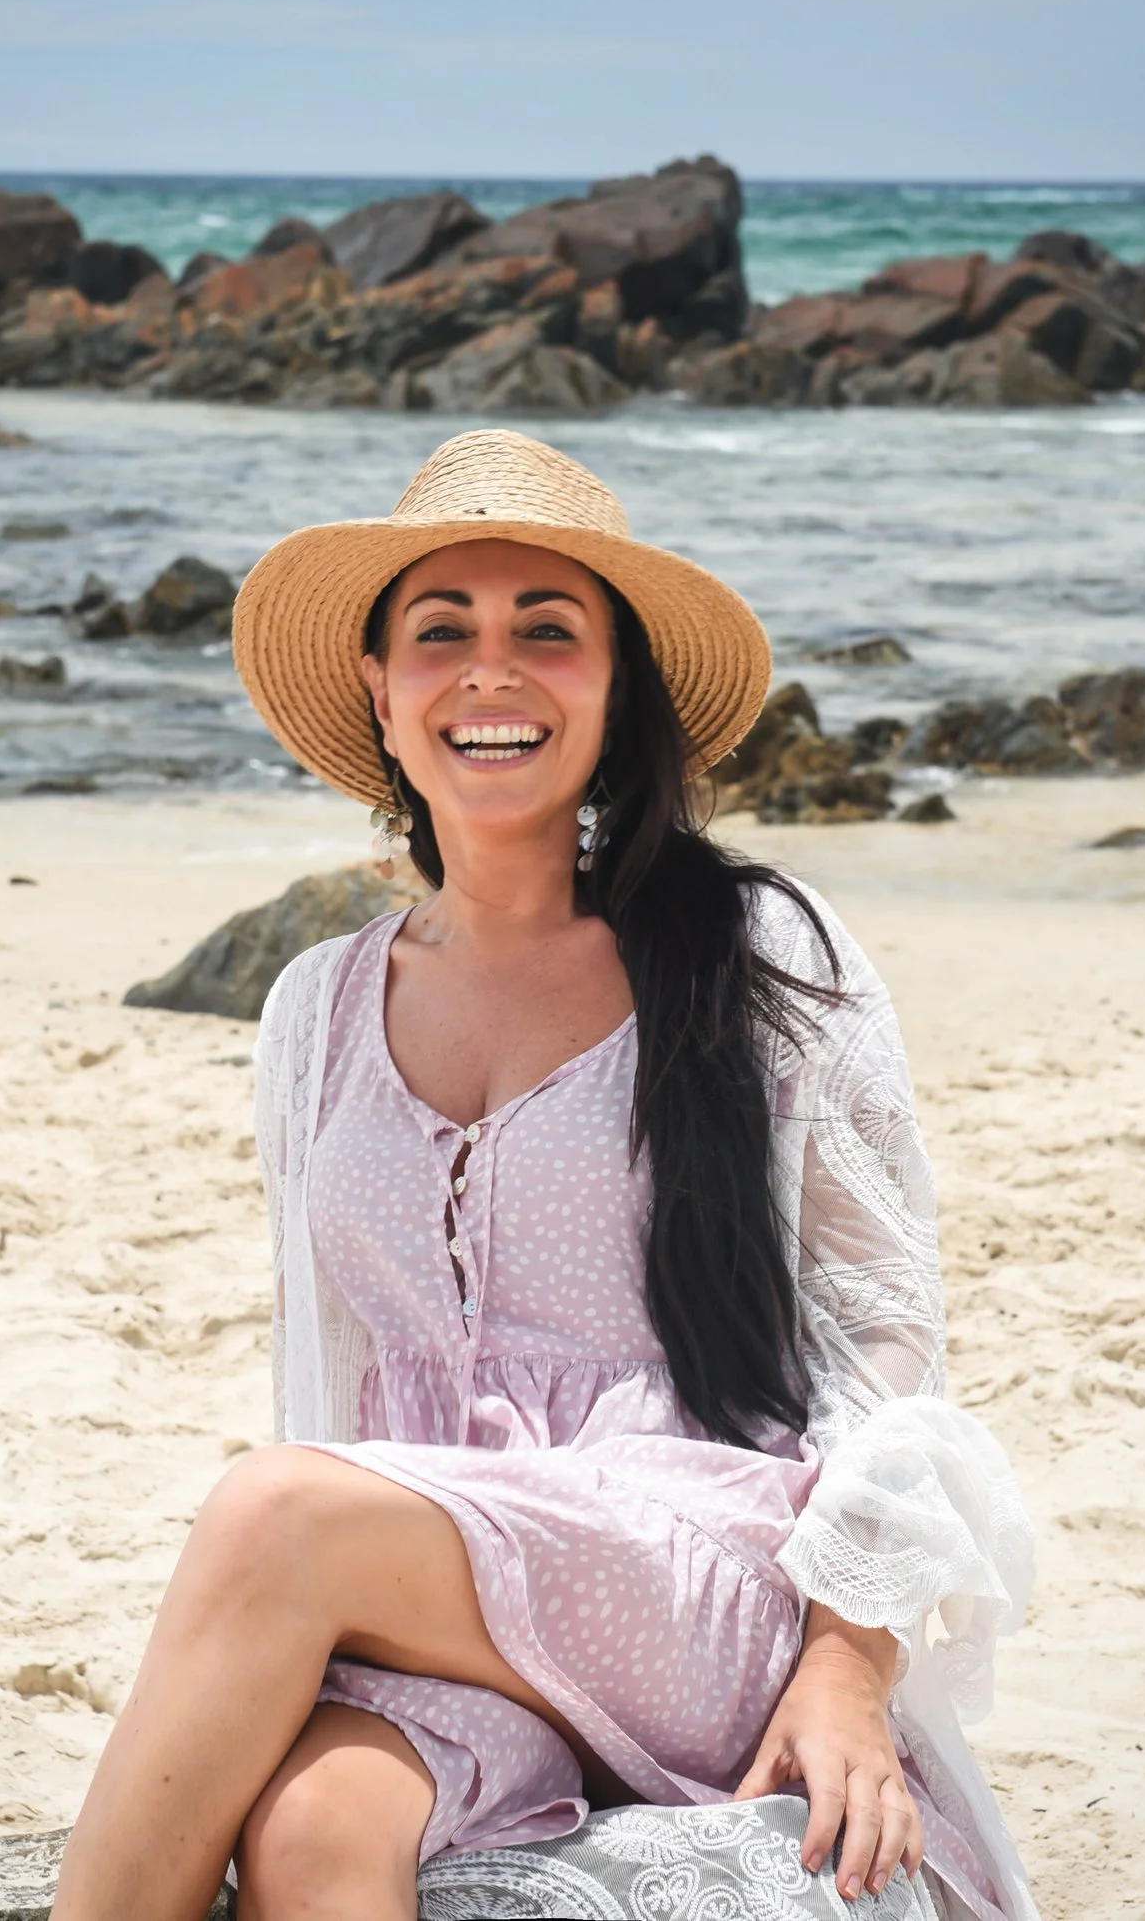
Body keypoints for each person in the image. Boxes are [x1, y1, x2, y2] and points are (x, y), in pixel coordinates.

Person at [54, 430, 1036, 1921]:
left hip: (696, 1572)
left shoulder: (759, 952)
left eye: (547, 633)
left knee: (271, 1512)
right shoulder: (316, 1006)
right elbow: (333, 1370)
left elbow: (890, 1329)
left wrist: (849, 1654)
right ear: (382, 693)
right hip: (444, 1602)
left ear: (617, 692)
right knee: (314, 1832)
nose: (490, 673)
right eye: (441, 632)